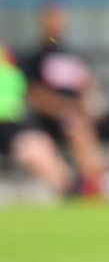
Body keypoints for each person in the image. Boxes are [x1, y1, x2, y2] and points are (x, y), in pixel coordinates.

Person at [19, 0, 109, 195]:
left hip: (85, 114)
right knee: (75, 124)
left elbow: (90, 88)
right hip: (57, 121)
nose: (56, 22)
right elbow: (37, 99)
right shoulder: (32, 59)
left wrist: (91, 104)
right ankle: (97, 185)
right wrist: (72, 108)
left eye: (60, 17)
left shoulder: (76, 56)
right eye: (51, 17)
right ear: (42, 20)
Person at [0, 43, 80, 197]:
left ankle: (72, 184)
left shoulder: (9, 65)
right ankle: (67, 189)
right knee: (33, 149)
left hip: (15, 121)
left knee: (43, 143)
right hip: (5, 126)